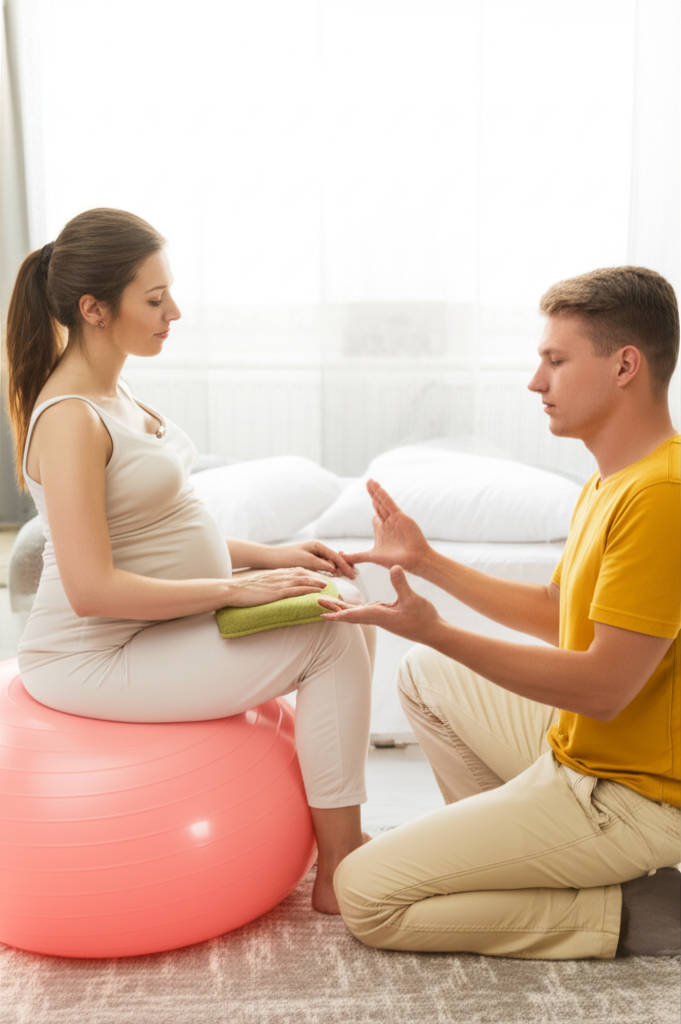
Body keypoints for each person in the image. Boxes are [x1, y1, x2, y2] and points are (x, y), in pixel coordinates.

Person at [5, 207, 374, 916]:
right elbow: (91, 588)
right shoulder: (70, 418)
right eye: (153, 298)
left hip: (150, 629)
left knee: (351, 608)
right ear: (94, 309)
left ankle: (344, 838)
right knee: (326, 637)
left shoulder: (117, 392)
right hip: (94, 655)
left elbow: (154, 527)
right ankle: (337, 871)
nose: (174, 310)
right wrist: (233, 589)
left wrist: (266, 555)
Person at [320, 266, 681, 958]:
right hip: (577, 756)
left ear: (624, 366)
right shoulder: (613, 479)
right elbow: (557, 611)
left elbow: (604, 690)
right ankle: (529, 861)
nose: (534, 381)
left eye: (554, 360)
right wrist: (425, 562)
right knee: (423, 673)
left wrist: (439, 627)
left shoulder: (661, 495)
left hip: (635, 799)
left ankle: (619, 915)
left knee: (365, 895)